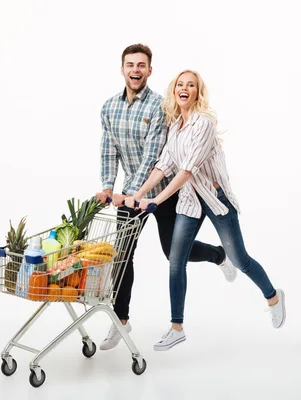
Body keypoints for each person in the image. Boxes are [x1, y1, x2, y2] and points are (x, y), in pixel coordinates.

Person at [125, 69, 287, 351]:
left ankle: (273, 297)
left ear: (198, 93)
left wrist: (156, 200)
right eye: (180, 84)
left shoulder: (204, 124)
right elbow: (163, 166)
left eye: (191, 85)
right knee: (175, 260)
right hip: (190, 202)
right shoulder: (174, 127)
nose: (184, 88)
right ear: (174, 91)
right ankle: (177, 328)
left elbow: (187, 170)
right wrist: (137, 194)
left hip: (216, 199)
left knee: (240, 260)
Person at [95, 44, 238, 351]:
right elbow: (108, 150)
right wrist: (108, 187)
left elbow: (154, 157)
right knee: (122, 254)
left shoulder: (159, 107)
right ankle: (120, 320)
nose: (135, 70)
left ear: (149, 71)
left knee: (173, 254)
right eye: (130, 64)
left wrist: (135, 193)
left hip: (163, 192)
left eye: (141, 65)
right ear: (122, 69)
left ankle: (219, 255)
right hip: (131, 196)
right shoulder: (108, 108)